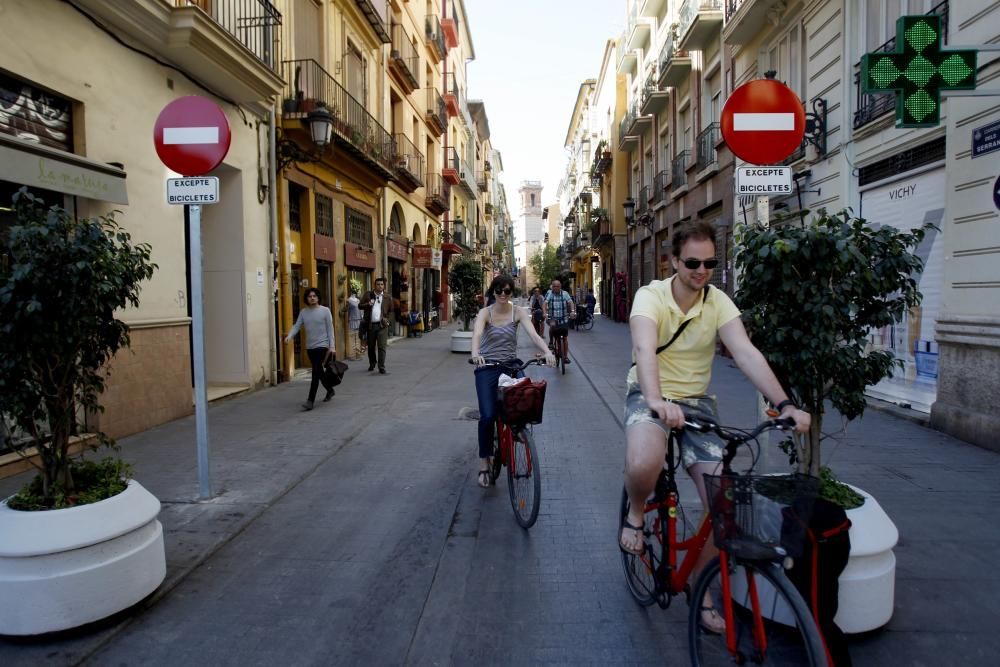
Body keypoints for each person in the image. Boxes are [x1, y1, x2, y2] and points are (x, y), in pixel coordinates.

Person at [619, 220, 811, 634]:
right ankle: (635, 512)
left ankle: (700, 587)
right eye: (692, 262)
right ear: (673, 260)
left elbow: (745, 353)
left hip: (699, 405)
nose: (701, 271)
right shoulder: (650, 296)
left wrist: (784, 403)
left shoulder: (718, 301)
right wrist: (656, 400)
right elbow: (644, 348)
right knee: (643, 462)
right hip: (651, 394)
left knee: (720, 504)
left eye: (710, 263)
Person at [470, 275, 555, 488]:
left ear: (511, 293)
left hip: (510, 365)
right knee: (488, 416)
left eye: (507, 291)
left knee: (525, 400)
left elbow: (534, 335)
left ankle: (518, 431)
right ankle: (484, 462)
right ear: (493, 291)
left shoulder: (517, 312)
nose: (502, 295)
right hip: (487, 367)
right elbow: (477, 335)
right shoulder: (485, 313)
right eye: (499, 290)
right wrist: (475, 353)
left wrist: (547, 351)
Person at [284, 287, 336, 411]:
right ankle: (330, 390)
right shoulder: (304, 312)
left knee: (315, 372)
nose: (312, 298)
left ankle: (310, 400)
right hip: (310, 347)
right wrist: (289, 336)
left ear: (318, 298)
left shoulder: (325, 311)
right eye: (309, 296)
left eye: (314, 296)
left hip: (322, 346)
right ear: (307, 299)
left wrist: (332, 346)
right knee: (319, 372)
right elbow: (296, 326)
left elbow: (330, 330)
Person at [360, 277, 394, 374]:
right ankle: (372, 363)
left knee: (382, 346)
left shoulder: (387, 297)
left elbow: (391, 311)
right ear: (374, 285)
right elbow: (359, 306)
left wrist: (388, 321)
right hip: (370, 325)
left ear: (384, 286)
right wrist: (368, 304)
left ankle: (381, 366)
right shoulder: (368, 295)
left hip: (382, 325)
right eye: (378, 284)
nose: (380, 286)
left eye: (382, 284)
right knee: (371, 346)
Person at [542, 279, 576, 363]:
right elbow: (545, 303)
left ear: (560, 287)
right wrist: (544, 313)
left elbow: (570, 302)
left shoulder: (565, 294)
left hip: (563, 318)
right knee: (553, 325)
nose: (556, 288)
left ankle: (565, 357)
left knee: (564, 338)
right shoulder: (549, 294)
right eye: (554, 286)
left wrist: (572, 311)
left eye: (558, 286)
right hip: (552, 318)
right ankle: (551, 341)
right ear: (552, 287)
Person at [347, 290, 361, 360]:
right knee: (352, 338)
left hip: (358, 320)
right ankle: (352, 354)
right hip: (352, 320)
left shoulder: (358, 300)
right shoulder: (348, 300)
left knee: (358, 338)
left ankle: (358, 354)